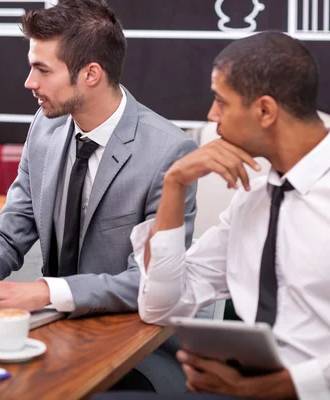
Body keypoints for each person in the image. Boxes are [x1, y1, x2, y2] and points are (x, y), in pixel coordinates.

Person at [0, 0, 197, 392]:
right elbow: (10, 235)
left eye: (42, 69)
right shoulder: (44, 129)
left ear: (91, 74)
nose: (30, 82)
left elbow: (146, 282)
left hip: (132, 350)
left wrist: (45, 291)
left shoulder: (167, 152)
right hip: (47, 338)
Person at [129, 32, 330, 399]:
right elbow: (162, 304)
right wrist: (174, 184)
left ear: (265, 111)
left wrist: (284, 388)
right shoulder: (253, 198)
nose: (211, 115)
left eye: (221, 102)